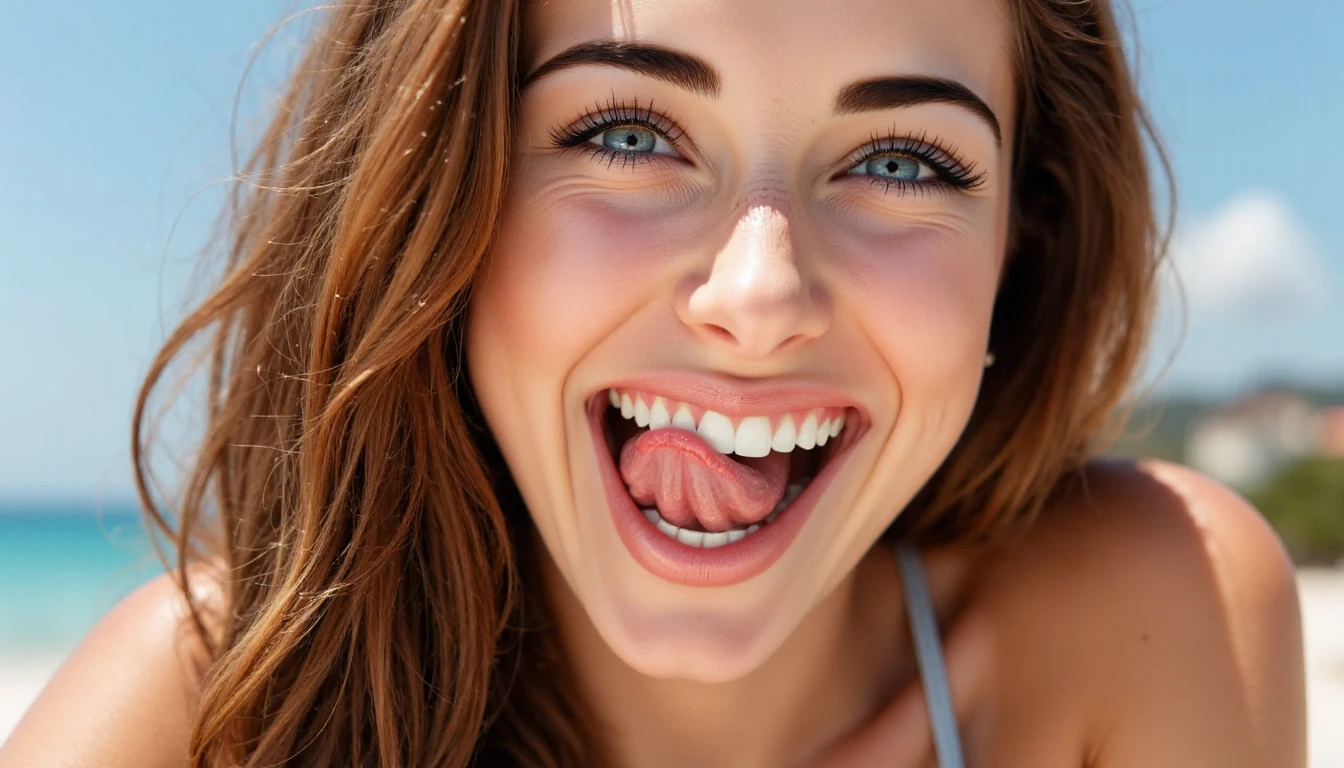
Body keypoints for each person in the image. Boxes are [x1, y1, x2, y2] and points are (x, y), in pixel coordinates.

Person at [0, 0, 1307, 765]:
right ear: (436, 194)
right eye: (626, 133)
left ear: (1021, 242)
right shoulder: (211, 717)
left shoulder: (1154, 623)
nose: (758, 297)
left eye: (905, 162)